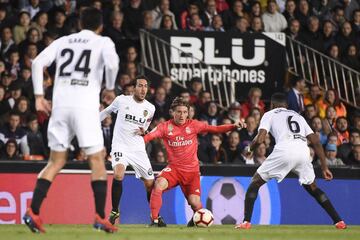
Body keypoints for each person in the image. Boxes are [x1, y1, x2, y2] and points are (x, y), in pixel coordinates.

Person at [23, 7, 119, 233]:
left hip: (60, 106)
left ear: (80, 24)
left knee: (55, 161)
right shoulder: (103, 41)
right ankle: (99, 216)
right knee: (96, 159)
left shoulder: (63, 40)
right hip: (84, 107)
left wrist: (38, 97)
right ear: (100, 26)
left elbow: (37, 63)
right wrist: (110, 88)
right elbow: (113, 64)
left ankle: (33, 212)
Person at [236, 93, 346, 230]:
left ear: (272, 105)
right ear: (286, 106)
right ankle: (339, 221)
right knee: (313, 188)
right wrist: (324, 167)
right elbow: (316, 141)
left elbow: (260, 139)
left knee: (255, 182)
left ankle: (246, 222)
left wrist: (249, 149)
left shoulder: (269, 114)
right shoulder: (298, 116)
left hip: (284, 150)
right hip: (303, 152)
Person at [141, 97, 246, 227]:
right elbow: (149, 137)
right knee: (158, 185)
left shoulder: (194, 125)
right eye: (179, 112)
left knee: (194, 202)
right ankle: (155, 220)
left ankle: (196, 219)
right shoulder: (164, 127)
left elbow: (216, 129)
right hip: (174, 169)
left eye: (185, 112)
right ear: (172, 112)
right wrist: (140, 138)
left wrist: (233, 126)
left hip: (192, 172)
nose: (182, 115)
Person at [99, 76, 166, 226]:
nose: (143, 89)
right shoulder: (121, 100)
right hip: (120, 146)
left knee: (150, 184)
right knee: (118, 173)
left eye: (145, 86)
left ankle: (155, 216)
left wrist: (145, 132)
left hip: (137, 149)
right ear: (134, 88)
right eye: (140, 86)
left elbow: (146, 127)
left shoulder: (150, 108)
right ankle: (115, 211)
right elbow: (106, 112)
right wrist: (92, 123)